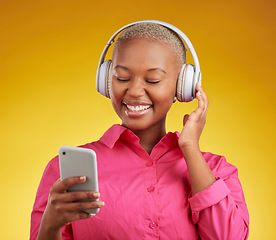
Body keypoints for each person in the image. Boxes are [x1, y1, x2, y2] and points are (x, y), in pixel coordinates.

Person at [30, 21, 249, 240]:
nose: (134, 91)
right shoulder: (65, 171)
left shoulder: (217, 171)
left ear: (183, 86)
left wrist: (190, 148)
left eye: (153, 80)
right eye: (122, 78)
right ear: (105, 80)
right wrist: (50, 224)